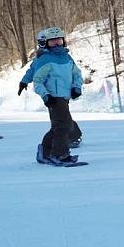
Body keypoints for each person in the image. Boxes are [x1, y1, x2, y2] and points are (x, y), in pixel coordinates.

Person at [29, 27, 84, 166]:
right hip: (54, 98)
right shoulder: (45, 59)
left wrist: (76, 87)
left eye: (59, 40)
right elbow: (38, 81)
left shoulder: (67, 58)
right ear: (46, 43)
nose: (57, 44)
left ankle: (45, 153)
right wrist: (46, 95)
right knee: (63, 126)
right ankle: (60, 155)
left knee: (59, 126)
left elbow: (77, 74)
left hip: (64, 97)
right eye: (53, 42)